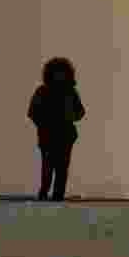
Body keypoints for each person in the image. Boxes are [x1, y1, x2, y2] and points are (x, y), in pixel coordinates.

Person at [28, 57, 85, 201]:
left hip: (64, 135)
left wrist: (69, 116)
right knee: (49, 167)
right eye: (57, 72)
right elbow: (32, 112)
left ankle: (57, 195)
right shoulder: (43, 91)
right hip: (49, 135)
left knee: (61, 168)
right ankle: (44, 193)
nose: (60, 75)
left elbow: (80, 112)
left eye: (62, 72)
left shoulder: (69, 92)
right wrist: (43, 122)